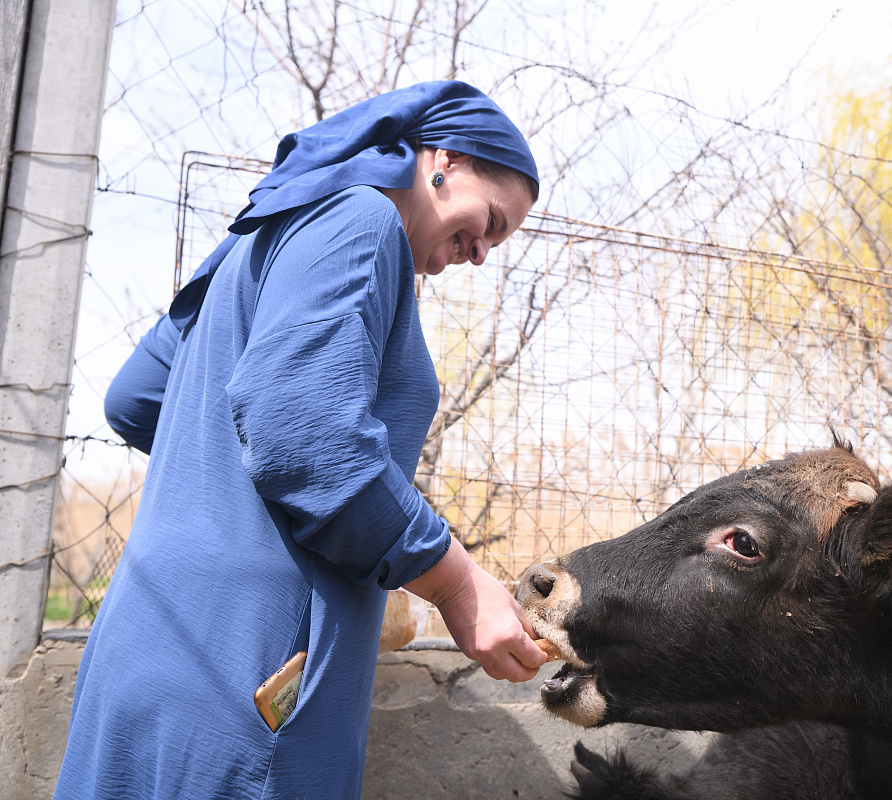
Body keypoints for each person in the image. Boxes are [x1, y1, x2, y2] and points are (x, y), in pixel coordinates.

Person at [54, 81, 548, 799]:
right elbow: (306, 436)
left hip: (148, 640)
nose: (482, 255)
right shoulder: (360, 220)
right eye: (494, 223)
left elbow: (137, 398)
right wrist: (456, 583)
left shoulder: (267, 230)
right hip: (252, 679)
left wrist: (232, 480)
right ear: (446, 158)